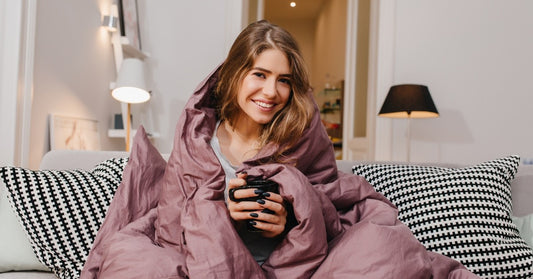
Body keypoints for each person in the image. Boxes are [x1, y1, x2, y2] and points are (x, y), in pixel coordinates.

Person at [82, 20, 479, 278]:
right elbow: (172, 226)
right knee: (130, 262)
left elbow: (330, 203)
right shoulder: (197, 137)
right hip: (212, 264)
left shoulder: (302, 132)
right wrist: (220, 211)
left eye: (284, 80)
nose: (271, 92)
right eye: (259, 75)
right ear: (235, 74)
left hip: (300, 266)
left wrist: (294, 214)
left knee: (387, 252)